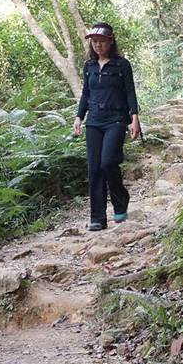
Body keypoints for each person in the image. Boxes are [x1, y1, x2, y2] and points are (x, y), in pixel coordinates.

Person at [73, 23, 141, 231]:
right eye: (94, 42)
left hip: (116, 120)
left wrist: (134, 118)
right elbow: (86, 94)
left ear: (111, 41)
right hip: (94, 121)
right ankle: (98, 218)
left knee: (108, 162)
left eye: (102, 41)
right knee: (94, 169)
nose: (98, 45)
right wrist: (79, 117)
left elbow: (130, 91)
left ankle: (121, 200)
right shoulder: (89, 67)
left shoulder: (122, 65)